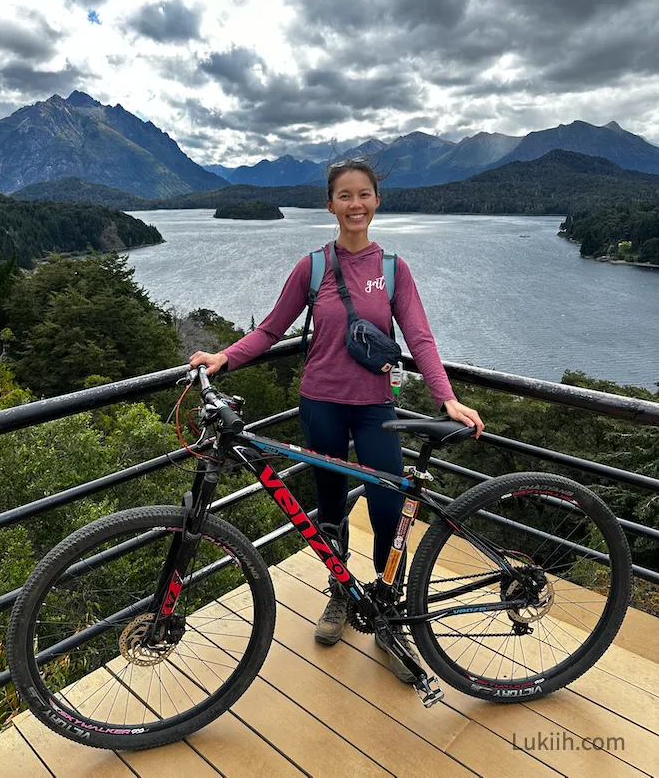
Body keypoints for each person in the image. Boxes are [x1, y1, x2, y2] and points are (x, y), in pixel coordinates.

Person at [190, 159, 484, 682]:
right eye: (344, 196)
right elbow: (272, 330)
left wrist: (446, 398)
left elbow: (419, 338)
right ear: (330, 205)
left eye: (364, 195)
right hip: (320, 403)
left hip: (375, 409)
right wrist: (223, 358)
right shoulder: (313, 267)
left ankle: (389, 609)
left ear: (376, 201)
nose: (355, 205)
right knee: (329, 507)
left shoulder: (393, 269)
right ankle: (340, 598)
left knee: (388, 509)